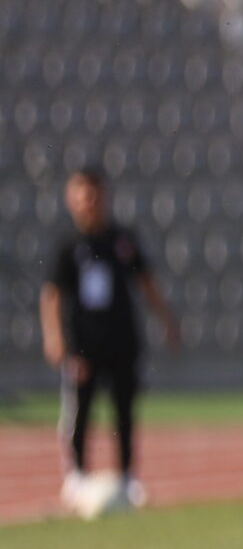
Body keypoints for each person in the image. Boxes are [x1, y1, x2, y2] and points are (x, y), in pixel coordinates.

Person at [39, 167, 181, 512]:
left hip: (122, 340)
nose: (88, 200)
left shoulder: (122, 241)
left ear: (104, 196)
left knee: (124, 411)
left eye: (94, 192)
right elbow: (53, 295)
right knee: (80, 410)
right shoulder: (68, 246)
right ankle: (76, 476)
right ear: (70, 198)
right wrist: (55, 337)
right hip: (83, 343)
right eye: (81, 193)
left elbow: (146, 283)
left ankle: (128, 477)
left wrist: (167, 321)